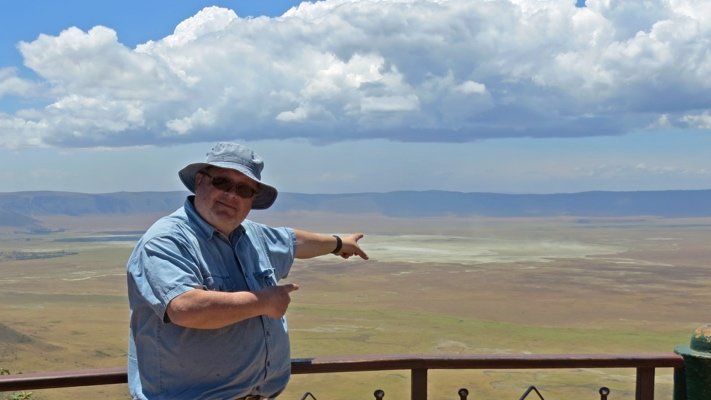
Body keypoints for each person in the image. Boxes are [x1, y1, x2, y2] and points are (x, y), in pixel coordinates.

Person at [126, 142, 369, 400]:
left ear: (252, 200)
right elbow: (184, 308)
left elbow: (293, 241)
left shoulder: (252, 235)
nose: (232, 195)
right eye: (222, 182)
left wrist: (339, 244)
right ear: (200, 181)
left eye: (243, 189)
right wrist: (263, 302)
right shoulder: (167, 240)